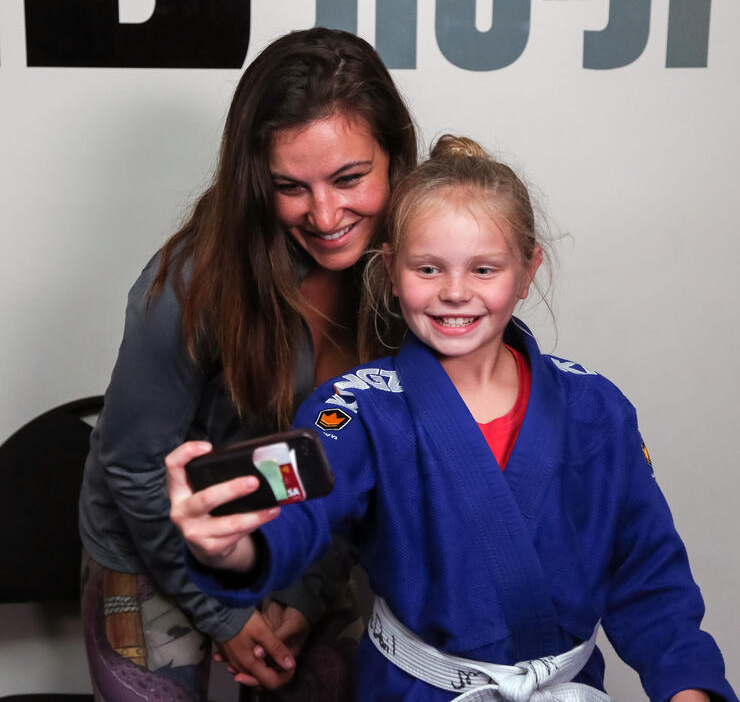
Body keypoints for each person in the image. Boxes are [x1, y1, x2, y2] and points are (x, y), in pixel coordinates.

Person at [167, 136, 737, 702]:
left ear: (528, 268)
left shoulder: (595, 407)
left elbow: (647, 573)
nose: (455, 293)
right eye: (428, 269)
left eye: (484, 269)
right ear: (390, 270)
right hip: (414, 692)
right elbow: (294, 510)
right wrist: (228, 545)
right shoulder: (355, 407)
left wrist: (689, 688)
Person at [78, 27, 417, 701]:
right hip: (153, 543)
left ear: (394, 159)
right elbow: (132, 466)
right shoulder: (192, 279)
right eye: (292, 186)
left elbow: (366, 463)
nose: (326, 215)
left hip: (303, 540)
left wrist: (306, 593)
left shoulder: (419, 279)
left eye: (350, 178)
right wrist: (224, 613)